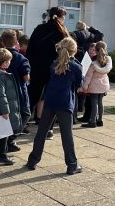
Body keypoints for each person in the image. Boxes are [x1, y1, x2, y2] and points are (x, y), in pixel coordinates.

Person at [27, 37, 83, 175]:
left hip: (50, 100)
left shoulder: (53, 64)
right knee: (66, 135)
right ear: (74, 50)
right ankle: (72, 164)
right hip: (65, 102)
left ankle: (33, 160)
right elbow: (79, 85)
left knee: (42, 132)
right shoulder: (76, 67)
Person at [0, 29, 31, 151]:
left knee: (0, 117)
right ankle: (10, 140)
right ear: (16, 42)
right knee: (25, 114)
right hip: (18, 93)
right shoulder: (21, 58)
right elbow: (26, 77)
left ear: (2, 42)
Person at [26, 7, 70, 121]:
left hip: (37, 66)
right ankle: (46, 123)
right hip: (54, 67)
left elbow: (30, 48)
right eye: (64, 17)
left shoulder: (40, 28)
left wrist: (30, 65)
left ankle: (24, 121)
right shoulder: (62, 31)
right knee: (51, 96)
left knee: (33, 95)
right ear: (60, 17)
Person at [81, 41, 112, 128]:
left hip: (94, 86)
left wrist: (84, 87)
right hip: (103, 84)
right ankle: (100, 120)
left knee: (94, 103)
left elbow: (88, 77)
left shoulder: (93, 63)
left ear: (96, 50)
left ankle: (92, 121)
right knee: (100, 102)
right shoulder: (108, 61)